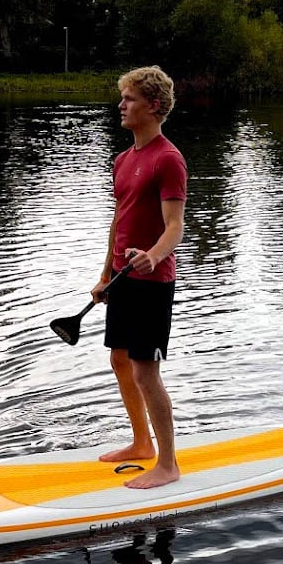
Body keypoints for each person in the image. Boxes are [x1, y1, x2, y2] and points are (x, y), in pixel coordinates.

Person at [92, 66, 186, 489]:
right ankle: (141, 443)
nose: (121, 105)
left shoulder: (168, 159)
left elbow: (175, 226)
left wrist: (152, 256)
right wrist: (106, 274)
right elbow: (120, 218)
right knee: (119, 360)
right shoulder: (123, 159)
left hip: (152, 279)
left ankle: (168, 465)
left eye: (128, 99)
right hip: (124, 277)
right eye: (122, 98)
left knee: (145, 369)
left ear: (153, 105)